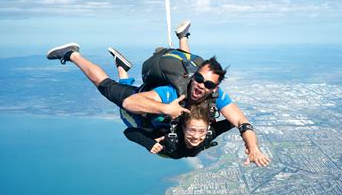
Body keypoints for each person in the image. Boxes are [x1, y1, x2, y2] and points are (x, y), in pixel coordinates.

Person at [46, 21, 270, 166]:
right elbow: (131, 103)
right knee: (104, 85)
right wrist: (166, 108)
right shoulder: (170, 92)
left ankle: (180, 38)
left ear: (216, 87)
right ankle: (72, 54)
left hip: (163, 115)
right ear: (194, 77)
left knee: (188, 66)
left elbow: (241, 122)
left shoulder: (215, 95)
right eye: (199, 79)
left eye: (209, 84)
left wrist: (252, 148)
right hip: (145, 103)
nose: (202, 85)